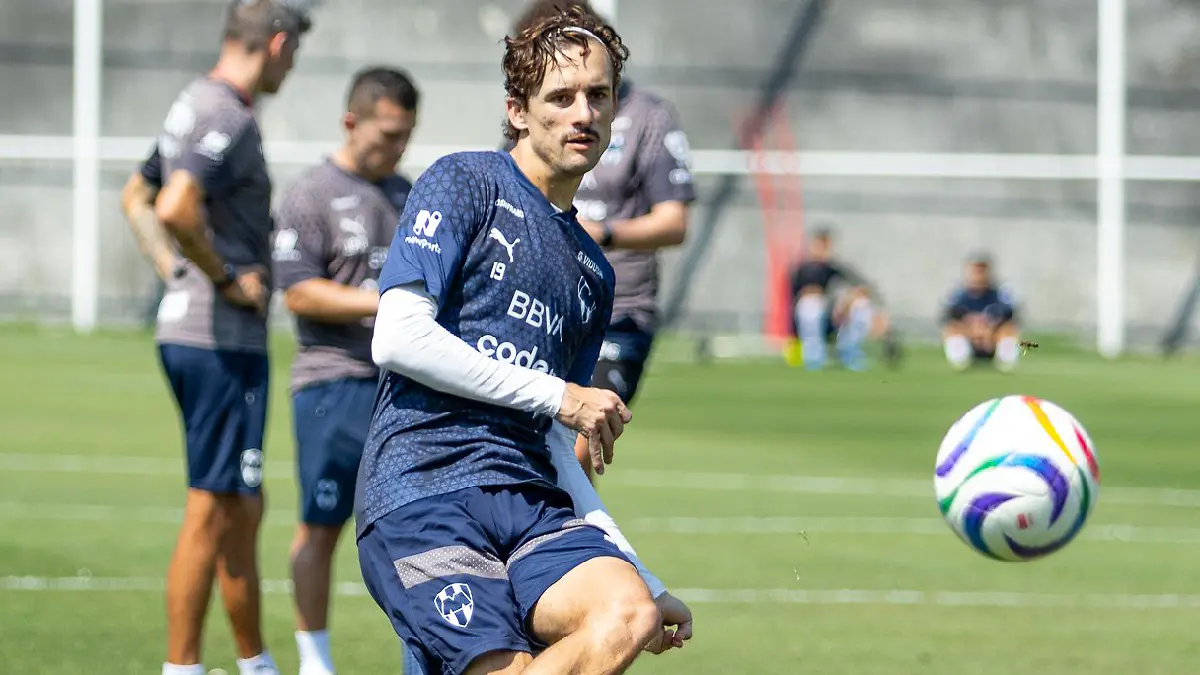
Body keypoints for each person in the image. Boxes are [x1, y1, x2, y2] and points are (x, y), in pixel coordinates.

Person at [356, 7, 693, 675]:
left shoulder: (594, 272)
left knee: (629, 614)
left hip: (529, 499)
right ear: (517, 110)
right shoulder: (465, 183)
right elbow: (396, 336)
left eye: (598, 95)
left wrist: (645, 578)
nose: (583, 114)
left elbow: (549, 436)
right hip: (423, 490)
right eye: (561, 97)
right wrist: (559, 393)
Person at [118, 2, 313, 673]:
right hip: (218, 341)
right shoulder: (226, 113)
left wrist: (174, 273)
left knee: (239, 505)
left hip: (201, 335)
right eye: (295, 56)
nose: (293, 68)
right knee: (211, 506)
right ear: (278, 45)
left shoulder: (193, 103)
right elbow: (173, 205)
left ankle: (254, 661)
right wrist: (224, 277)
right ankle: (182, 667)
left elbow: (136, 196)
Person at [504, 0, 697, 483]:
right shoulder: (537, 108)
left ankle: (563, 546)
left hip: (618, 311)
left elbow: (674, 221)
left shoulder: (648, 116)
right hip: (538, 302)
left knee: (579, 443)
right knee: (521, 442)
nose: (581, 111)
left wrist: (602, 234)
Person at [270, 66, 420, 675]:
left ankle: (428, 652)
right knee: (322, 526)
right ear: (351, 122)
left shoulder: (411, 194)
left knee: (415, 528)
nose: (397, 147)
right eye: (387, 133)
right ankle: (315, 662)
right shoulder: (309, 194)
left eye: (406, 134)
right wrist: (383, 300)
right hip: (334, 382)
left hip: (405, 391)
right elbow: (299, 293)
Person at [788, 227, 894, 371]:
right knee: (810, 304)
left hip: (833, 316)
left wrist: (852, 300)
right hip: (810, 318)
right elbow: (796, 300)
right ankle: (813, 355)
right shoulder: (802, 269)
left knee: (860, 305)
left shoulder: (834, 268)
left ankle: (849, 352)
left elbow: (862, 286)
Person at [941, 253, 1021, 372]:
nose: (979, 275)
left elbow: (1010, 314)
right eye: (976, 271)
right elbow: (948, 315)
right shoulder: (958, 295)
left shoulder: (1000, 294)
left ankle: (1005, 359)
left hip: (991, 340)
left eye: (982, 271)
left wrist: (989, 328)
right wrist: (972, 329)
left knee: (1009, 328)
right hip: (969, 338)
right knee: (952, 328)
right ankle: (961, 358)